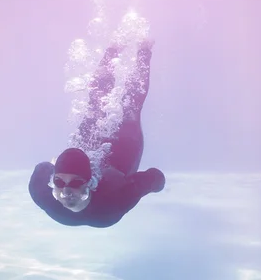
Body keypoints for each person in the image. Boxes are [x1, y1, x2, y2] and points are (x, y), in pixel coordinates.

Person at [28, 40, 165, 228]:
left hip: (113, 152)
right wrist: (154, 185)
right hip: (125, 157)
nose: (66, 192)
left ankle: (130, 49)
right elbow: (155, 177)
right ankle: (128, 50)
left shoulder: (113, 199)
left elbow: (42, 168)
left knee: (98, 104)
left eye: (75, 183)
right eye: (59, 181)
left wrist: (155, 185)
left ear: (88, 183)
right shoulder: (117, 201)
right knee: (127, 107)